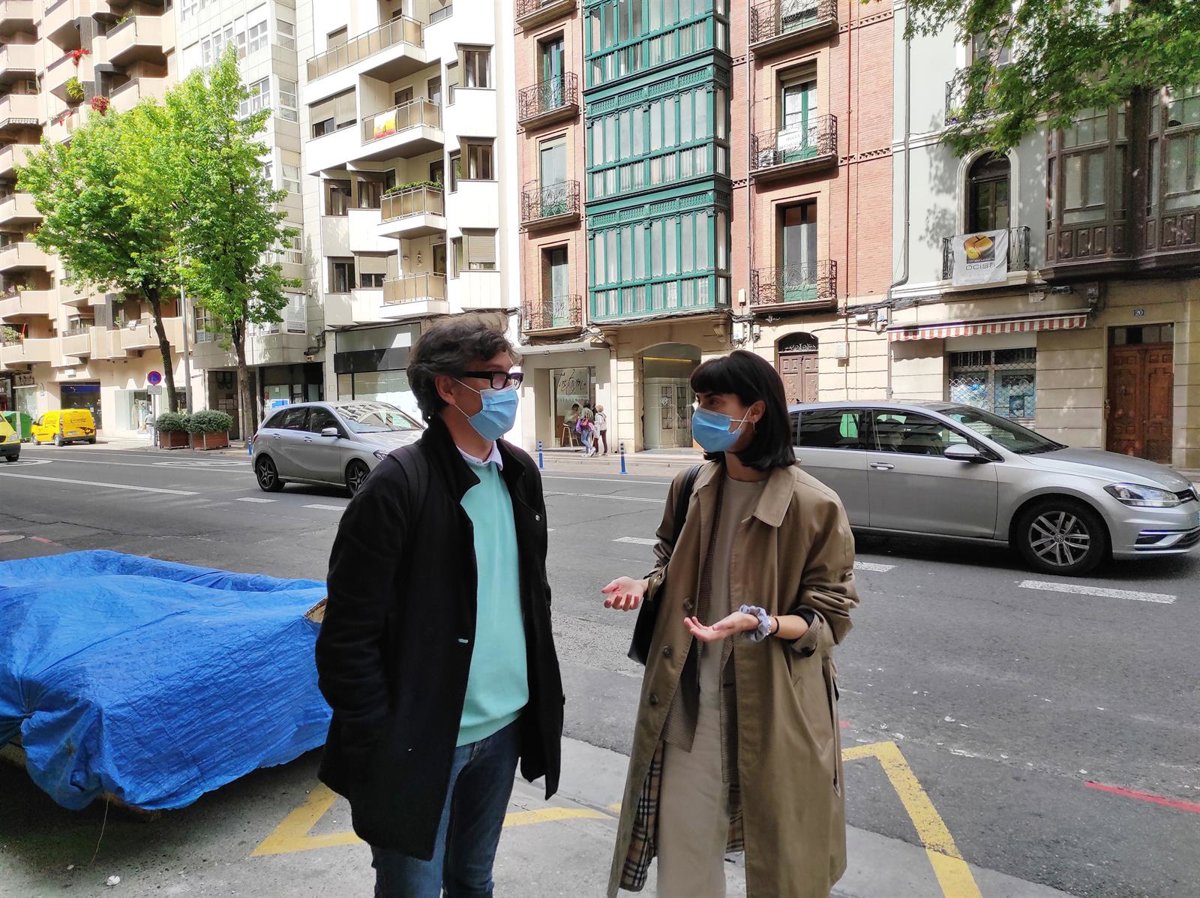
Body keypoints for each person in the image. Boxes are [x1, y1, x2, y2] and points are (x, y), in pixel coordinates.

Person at [317, 317, 564, 898]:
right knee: (414, 890)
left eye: (512, 376)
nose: (510, 389)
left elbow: (532, 596)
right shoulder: (398, 484)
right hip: (420, 739)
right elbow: (347, 636)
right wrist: (382, 738)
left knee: (473, 881)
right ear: (448, 387)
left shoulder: (519, 473)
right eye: (495, 377)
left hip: (503, 727)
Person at [601, 350, 859, 898]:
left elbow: (830, 618)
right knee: (684, 855)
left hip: (773, 707)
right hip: (689, 702)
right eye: (698, 401)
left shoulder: (815, 506)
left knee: (785, 860)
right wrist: (645, 585)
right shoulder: (690, 485)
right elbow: (669, 558)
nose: (699, 414)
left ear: (755, 411)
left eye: (714, 402)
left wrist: (762, 622)